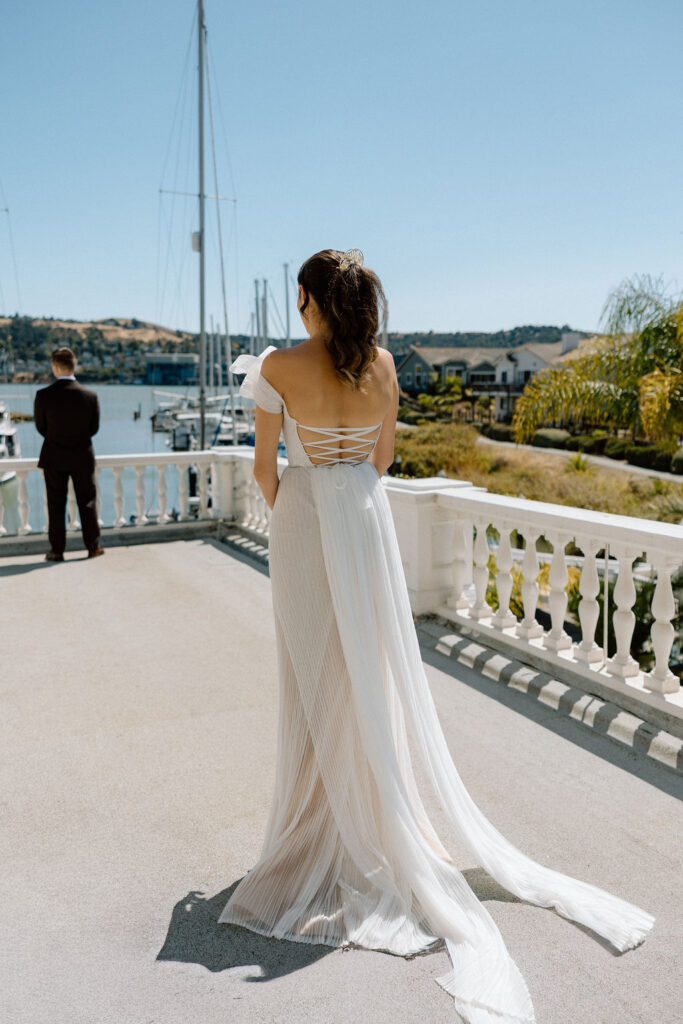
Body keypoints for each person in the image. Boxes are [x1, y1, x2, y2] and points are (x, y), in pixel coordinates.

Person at [222, 249, 654, 1024]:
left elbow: (263, 470)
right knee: (370, 671)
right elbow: (383, 459)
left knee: (311, 668)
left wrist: (300, 501)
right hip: (364, 514)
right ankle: (375, 817)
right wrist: (347, 485)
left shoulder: (280, 365)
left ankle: (321, 827)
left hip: (308, 515)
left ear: (310, 301)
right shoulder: (384, 366)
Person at [34, 347, 104, 561]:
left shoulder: (43, 395)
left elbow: (40, 427)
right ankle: (93, 547)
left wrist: (57, 438)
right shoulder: (90, 396)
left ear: (55, 367)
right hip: (82, 454)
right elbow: (94, 428)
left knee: (56, 505)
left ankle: (57, 551)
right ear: (74, 366)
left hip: (53, 456)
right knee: (87, 502)